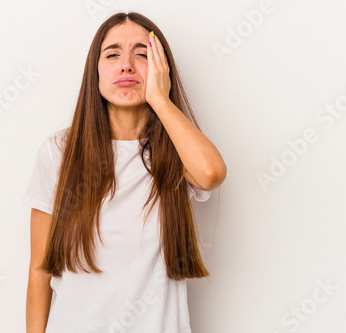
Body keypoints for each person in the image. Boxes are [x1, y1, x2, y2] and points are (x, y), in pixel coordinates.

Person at [22, 11, 227, 333]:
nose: (127, 65)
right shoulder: (59, 152)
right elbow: (39, 269)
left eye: (142, 55)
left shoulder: (175, 151)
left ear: (162, 69)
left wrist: (158, 97)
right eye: (113, 54)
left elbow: (211, 173)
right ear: (96, 71)